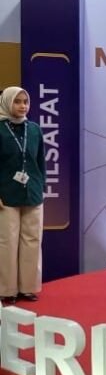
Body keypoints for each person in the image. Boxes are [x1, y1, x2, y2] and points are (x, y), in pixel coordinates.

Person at [0, 87, 46, 305]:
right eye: (17, 102)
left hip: (33, 193)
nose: (22, 106)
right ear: (7, 103)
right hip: (6, 196)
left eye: (25, 102)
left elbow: (40, 162)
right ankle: (6, 290)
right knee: (7, 243)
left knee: (32, 240)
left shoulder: (34, 129)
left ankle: (28, 288)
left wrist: (41, 186)